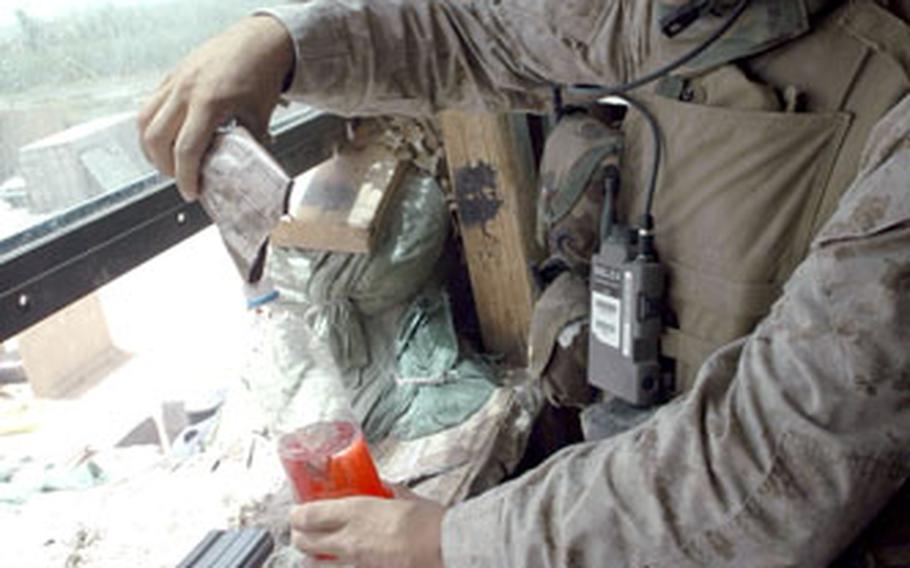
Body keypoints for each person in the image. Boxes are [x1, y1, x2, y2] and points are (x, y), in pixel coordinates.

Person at [138, 1, 910, 566]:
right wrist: (285, 45)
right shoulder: (722, 15)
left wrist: (455, 541)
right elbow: (484, 34)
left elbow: (775, 462)